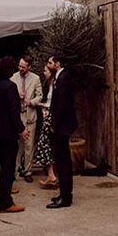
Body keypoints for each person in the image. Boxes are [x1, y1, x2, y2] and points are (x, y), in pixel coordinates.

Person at [0, 57, 28, 213]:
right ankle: (6, 202)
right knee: (7, 168)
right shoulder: (10, 87)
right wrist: (21, 129)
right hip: (8, 133)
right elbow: (13, 112)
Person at [45, 55, 77, 209]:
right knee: (60, 161)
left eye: (50, 63)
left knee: (63, 161)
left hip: (61, 127)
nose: (48, 65)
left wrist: (53, 124)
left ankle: (66, 197)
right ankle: (63, 193)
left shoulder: (63, 78)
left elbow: (61, 104)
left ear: (57, 64)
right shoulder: (60, 77)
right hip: (61, 126)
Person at [10, 55, 41, 183]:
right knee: (17, 146)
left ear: (29, 67)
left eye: (23, 66)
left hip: (30, 115)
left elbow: (40, 96)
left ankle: (28, 171)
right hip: (18, 116)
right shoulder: (13, 77)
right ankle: (14, 171)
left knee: (29, 146)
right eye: (19, 66)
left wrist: (30, 102)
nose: (20, 68)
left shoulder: (36, 78)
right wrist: (17, 96)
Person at [33, 66, 57, 189]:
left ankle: (52, 176)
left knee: (45, 145)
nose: (44, 72)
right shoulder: (51, 85)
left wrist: (43, 107)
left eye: (46, 70)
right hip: (47, 115)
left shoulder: (55, 85)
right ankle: (51, 175)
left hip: (49, 118)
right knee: (45, 146)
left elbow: (53, 103)